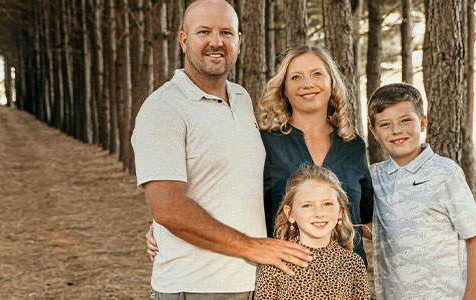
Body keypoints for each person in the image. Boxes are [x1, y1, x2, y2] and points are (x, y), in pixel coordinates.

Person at [130, 0, 311, 298]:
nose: (216, 42)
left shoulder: (240, 97)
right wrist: (253, 246)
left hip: (252, 282)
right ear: (183, 41)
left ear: (238, 41)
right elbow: (168, 208)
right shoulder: (162, 109)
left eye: (226, 32)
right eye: (204, 32)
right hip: (196, 285)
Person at [367, 83, 476, 299]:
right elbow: (381, 228)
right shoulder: (374, 177)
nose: (396, 130)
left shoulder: (445, 173)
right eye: (385, 124)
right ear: (374, 132)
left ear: (422, 122)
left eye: (406, 120)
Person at [257, 45, 374, 267]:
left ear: (332, 82)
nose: (307, 84)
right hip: (286, 281)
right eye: (296, 77)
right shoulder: (265, 143)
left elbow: (367, 221)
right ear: (283, 89)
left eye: (317, 74)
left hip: (347, 283)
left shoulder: (353, 146)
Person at [253, 164, 371, 299]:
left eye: (327, 204)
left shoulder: (353, 264)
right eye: (307, 205)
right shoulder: (276, 264)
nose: (319, 213)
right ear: (290, 213)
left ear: (340, 211)